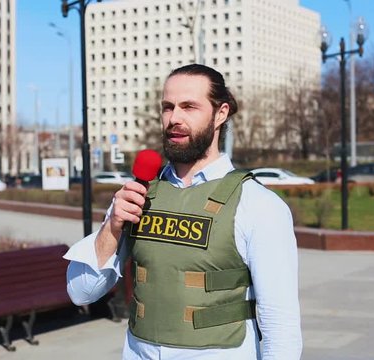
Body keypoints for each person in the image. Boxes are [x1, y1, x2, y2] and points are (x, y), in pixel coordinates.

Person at [64, 64, 302, 359]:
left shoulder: (259, 205)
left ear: (221, 113)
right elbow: (81, 292)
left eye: (189, 106)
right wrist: (111, 228)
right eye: (168, 107)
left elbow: (281, 323)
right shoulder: (137, 195)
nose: (174, 118)